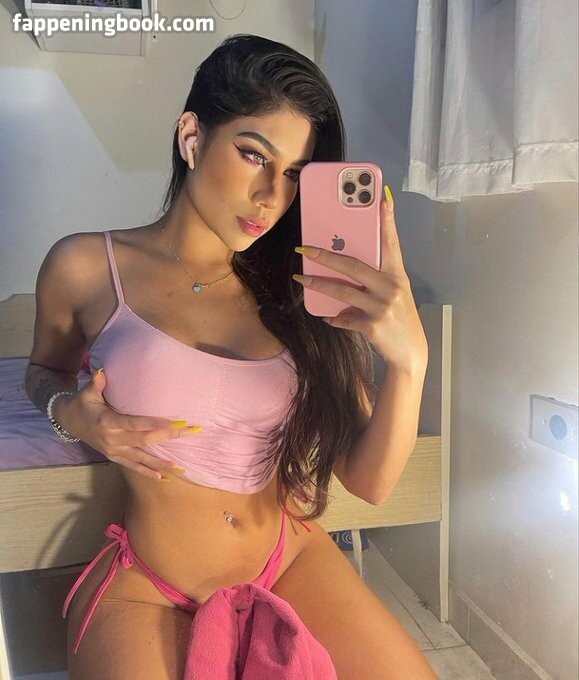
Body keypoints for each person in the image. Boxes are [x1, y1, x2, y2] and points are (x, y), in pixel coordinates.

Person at [26, 33, 435, 679]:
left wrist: (411, 362)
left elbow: (371, 483)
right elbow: (44, 369)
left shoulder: (303, 293)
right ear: (192, 137)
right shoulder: (85, 265)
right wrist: (67, 413)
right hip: (152, 582)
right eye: (254, 154)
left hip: (289, 556)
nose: (272, 194)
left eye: (295, 174)